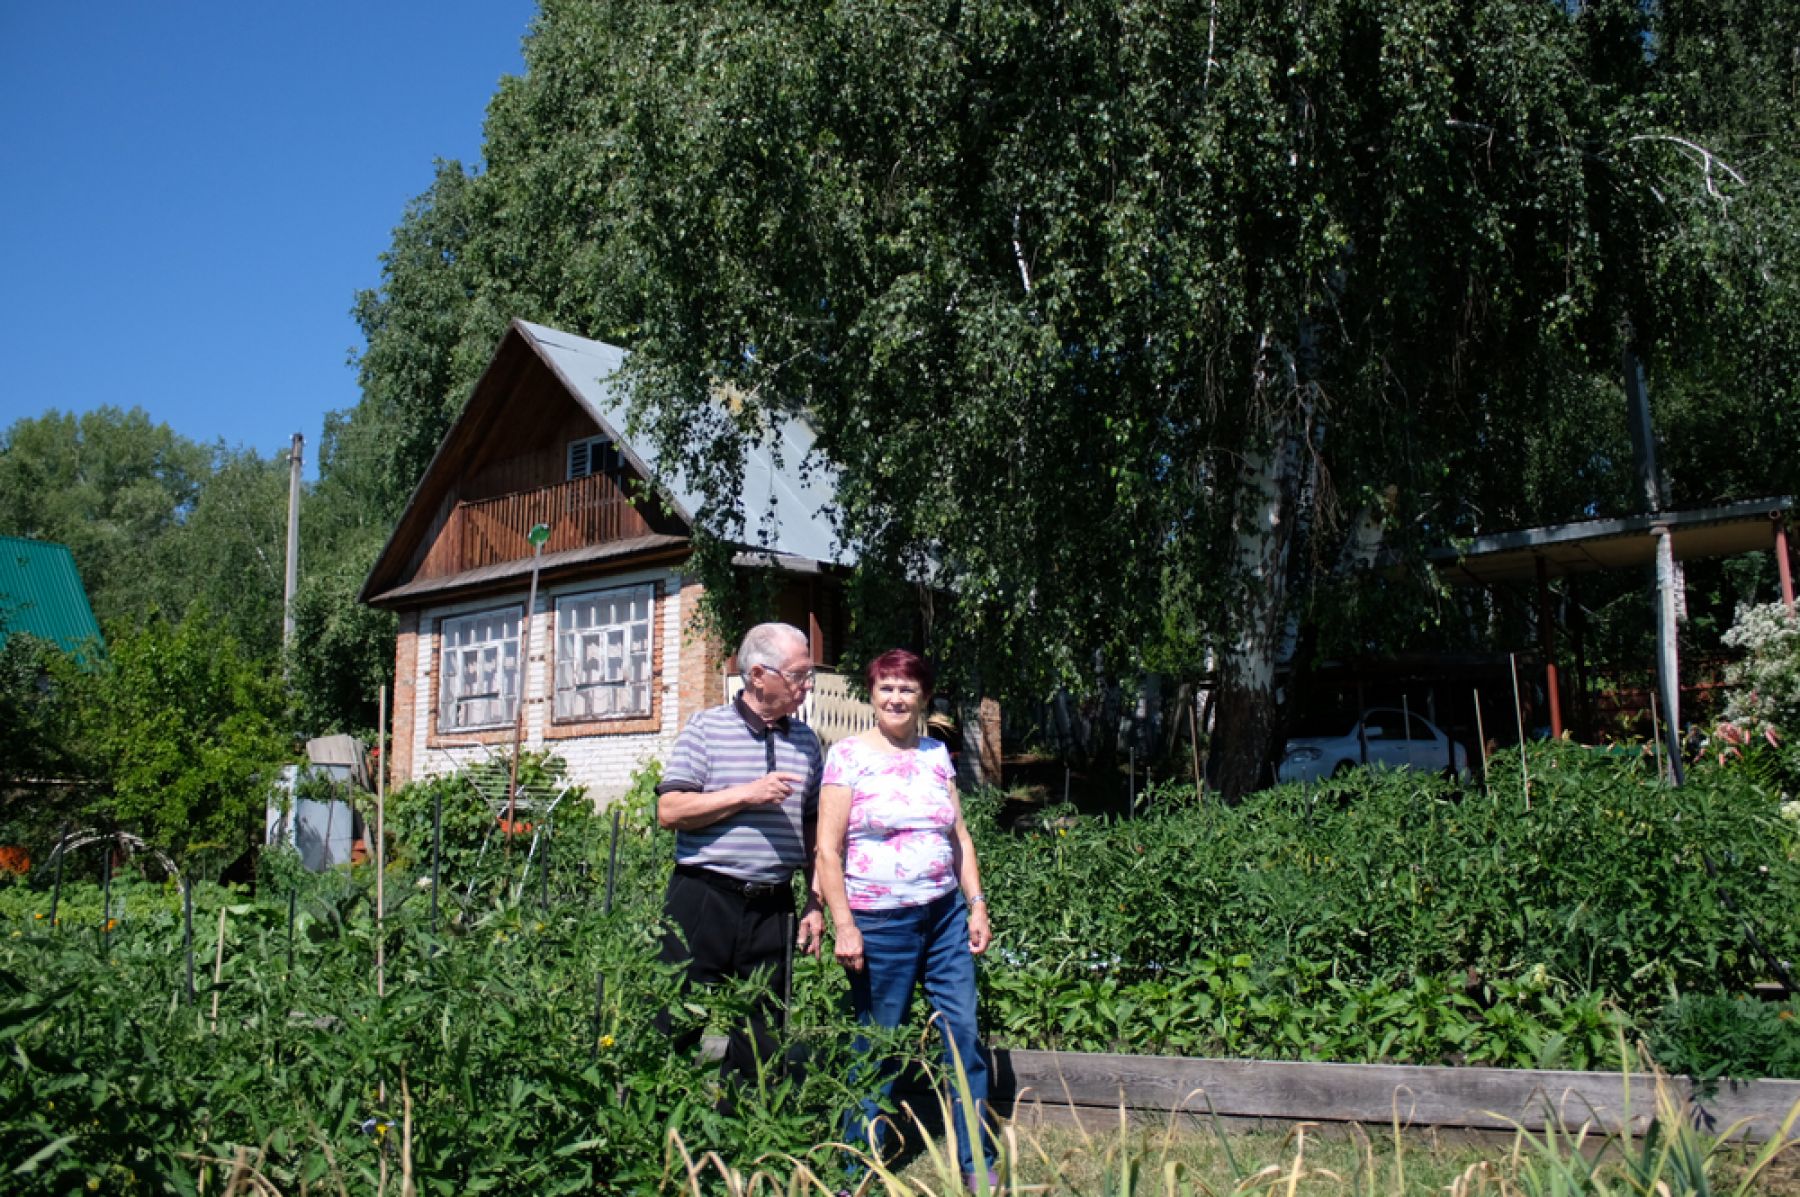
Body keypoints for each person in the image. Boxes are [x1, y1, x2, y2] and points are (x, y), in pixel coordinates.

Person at [814, 649, 997, 1189]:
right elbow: (827, 851)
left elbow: (958, 836)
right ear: (871, 694)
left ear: (923, 698)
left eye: (907, 689)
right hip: (879, 922)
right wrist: (844, 924)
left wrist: (976, 904)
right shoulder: (848, 756)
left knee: (963, 1035)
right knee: (878, 1044)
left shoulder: (937, 754)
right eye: (886, 687)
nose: (896, 698)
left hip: (943, 916)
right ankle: (854, 1168)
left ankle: (976, 1165)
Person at [655, 621, 826, 1084]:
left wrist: (815, 900)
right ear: (757, 675)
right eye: (796, 675)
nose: (805, 686)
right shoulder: (706, 729)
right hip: (705, 896)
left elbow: (815, 828)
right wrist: (745, 795)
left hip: (773, 903)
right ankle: (666, 1126)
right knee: (676, 1018)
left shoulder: (807, 742)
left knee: (763, 1028)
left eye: (807, 675)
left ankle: (748, 1129)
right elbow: (669, 810)